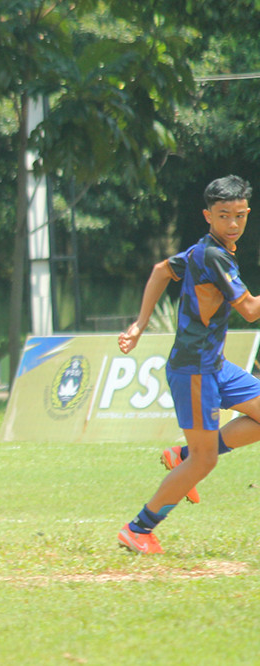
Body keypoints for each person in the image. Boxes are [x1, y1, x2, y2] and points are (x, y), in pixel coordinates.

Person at [117, 175, 260, 554]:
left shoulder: (205, 250)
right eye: (224, 215)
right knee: (204, 461)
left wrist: (139, 324)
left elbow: (161, 270)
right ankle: (139, 528)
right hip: (194, 369)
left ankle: (180, 455)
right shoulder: (212, 254)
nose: (233, 223)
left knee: (201, 454)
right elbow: (249, 310)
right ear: (207, 216)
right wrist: (139, 325)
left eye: (241, 215)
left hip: (214, 365)